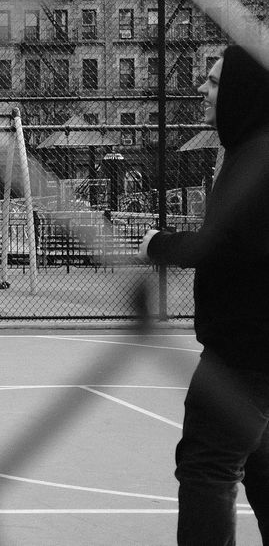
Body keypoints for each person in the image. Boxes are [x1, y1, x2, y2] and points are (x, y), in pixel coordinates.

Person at [139, 45, 269, 546]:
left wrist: (158, 244)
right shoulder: (250, 150)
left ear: (242, 91)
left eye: (214, 81)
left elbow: (226, 246)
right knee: (257, 466)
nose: (202, 89)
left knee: (206, 468)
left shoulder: (259, 157)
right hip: (252, 347)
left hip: (245, 351)